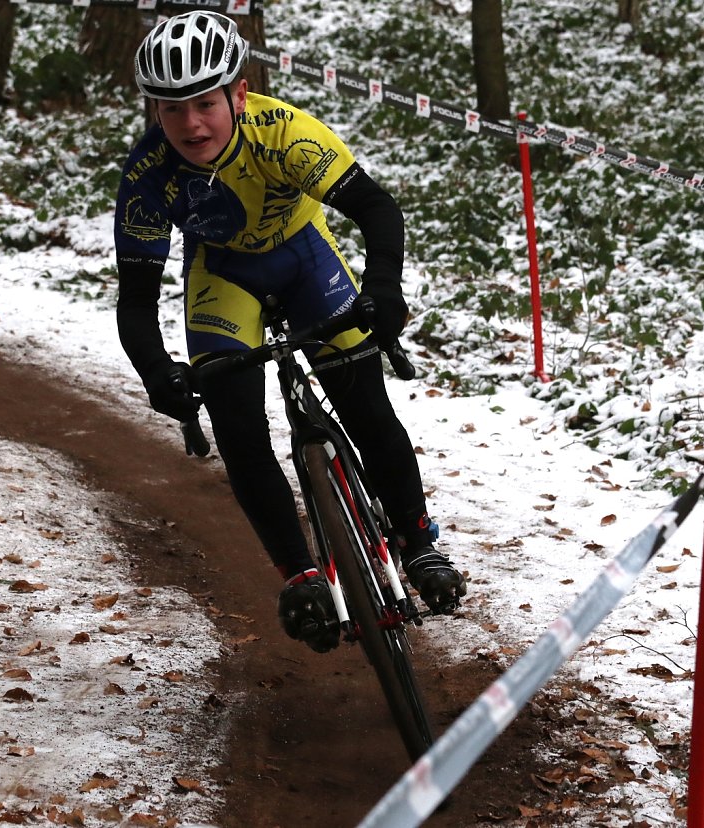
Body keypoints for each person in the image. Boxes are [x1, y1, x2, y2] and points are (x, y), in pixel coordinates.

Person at [114, 11, 466, 652]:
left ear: (238, 94)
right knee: (240, 428)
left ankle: (418, 545)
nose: (191, 124)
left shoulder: (282, 133)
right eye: (171, 110)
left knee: (364, 404)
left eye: (204, 103)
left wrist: (384, 289)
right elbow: (136, 298)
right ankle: (300, 575)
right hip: (224, 278)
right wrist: (155, 372)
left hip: (306, 261)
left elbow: (375, 208)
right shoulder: (147, 176)